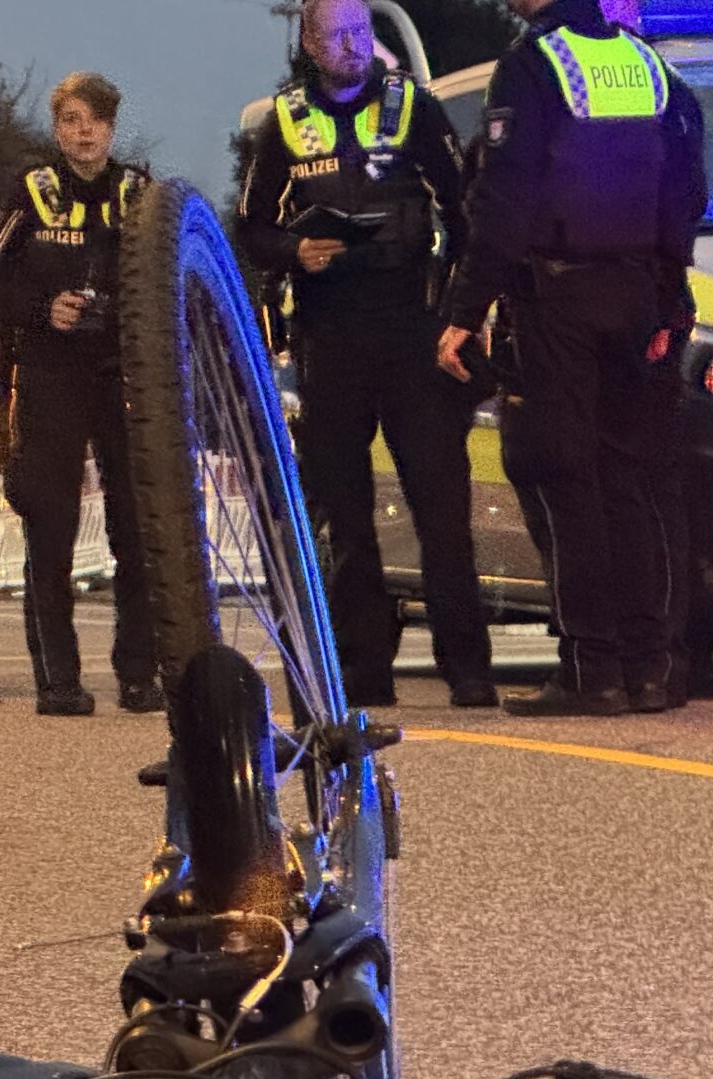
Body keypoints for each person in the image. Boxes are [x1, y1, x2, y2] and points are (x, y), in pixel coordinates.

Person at [438, 0, 708, 716]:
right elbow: (687, 189)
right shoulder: (649, 66)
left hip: (558, 297)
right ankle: (651, 667)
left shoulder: (534, 66)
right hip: (639, 296)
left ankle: (593, 671)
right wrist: (668, 288)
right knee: (631, 480)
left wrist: (466, 310)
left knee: (567, 479)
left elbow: (506, 195)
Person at [238, 0, 495, 710]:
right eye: (339, 36)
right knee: (344, 514)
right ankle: (365, 672)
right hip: (330, 332)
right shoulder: (283, 122)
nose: (354, 46)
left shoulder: (414, 107)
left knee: (441, 506)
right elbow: (252, 228)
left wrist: (458, 314)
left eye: (362, 32)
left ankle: (468, 668)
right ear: (310, 44)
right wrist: (296, 251)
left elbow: (464, 211)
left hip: (410, 326)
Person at [0, 72, 158, 717]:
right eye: (72, 121)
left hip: (122, 376)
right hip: (51, 376)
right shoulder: (32, 191)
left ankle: (139, 675)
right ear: (57, 129)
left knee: (138, 530)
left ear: (112, 127)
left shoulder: (140, 193)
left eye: (96, 120)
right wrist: (40, 309)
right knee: (51, 529)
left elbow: (176, 277)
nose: (85, 132)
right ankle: (57, 680)